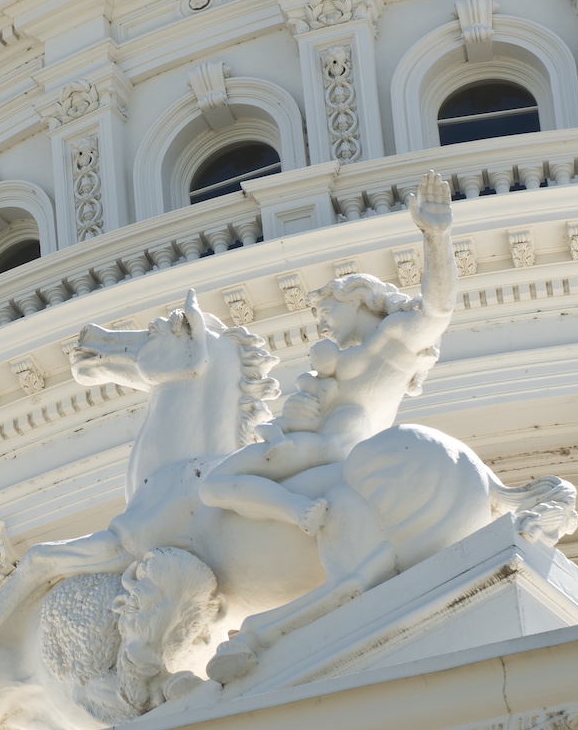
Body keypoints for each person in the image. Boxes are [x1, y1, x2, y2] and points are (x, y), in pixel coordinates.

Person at [196, 168, 458, 531]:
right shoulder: (350, 357)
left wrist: (437, 236)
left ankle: (295, 509)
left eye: (325, 311)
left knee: (213, 486)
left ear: (356, 299)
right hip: (319, 443)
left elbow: (438, 309)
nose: (321, 325)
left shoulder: (394, 337)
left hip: (334, 448)